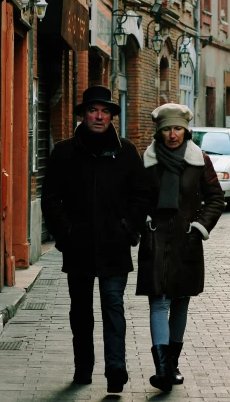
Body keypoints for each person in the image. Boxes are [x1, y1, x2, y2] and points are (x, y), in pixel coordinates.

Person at [41, 85, 147, 394]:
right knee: (81, 311)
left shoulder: (127, 152)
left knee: (113, 305)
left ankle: (116, 368)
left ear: (112, 116)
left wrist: (129, 228)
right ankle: (83, 367)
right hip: (79, 246)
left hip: (115, 245)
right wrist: (66, 234)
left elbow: (141, 196)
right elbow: (50, 198)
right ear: (84, 115)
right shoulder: (64, 152)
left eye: (104, 111)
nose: (99, 116)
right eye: (93, 110)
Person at [138, 103, 225, 392]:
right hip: (156, 238)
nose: (172, 134)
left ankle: (172, 364)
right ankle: (162, 369)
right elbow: (134, 198)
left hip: (186, 240)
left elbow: (215, 197)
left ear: (186, 130)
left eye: (177, 128)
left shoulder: (199, 160)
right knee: (158, 301)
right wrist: (145, 220)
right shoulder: (147, 161)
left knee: (180, 300)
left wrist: (199, 227)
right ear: (159, 132)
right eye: (166, 129)